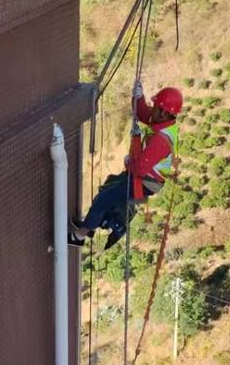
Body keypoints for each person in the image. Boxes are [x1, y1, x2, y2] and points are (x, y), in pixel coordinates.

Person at [69, 82, 183, 250]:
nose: (154, 108)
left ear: (164, 112)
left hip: (147, 180)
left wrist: (129, 161)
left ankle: (80, 235)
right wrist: (138, 97)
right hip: (146, 175)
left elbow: (140, 168)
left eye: (157, 106)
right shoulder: (163, 120)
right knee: (110, 185)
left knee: (104, 199)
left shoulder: (161, 140)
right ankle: (95, 223)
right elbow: (143, 114)